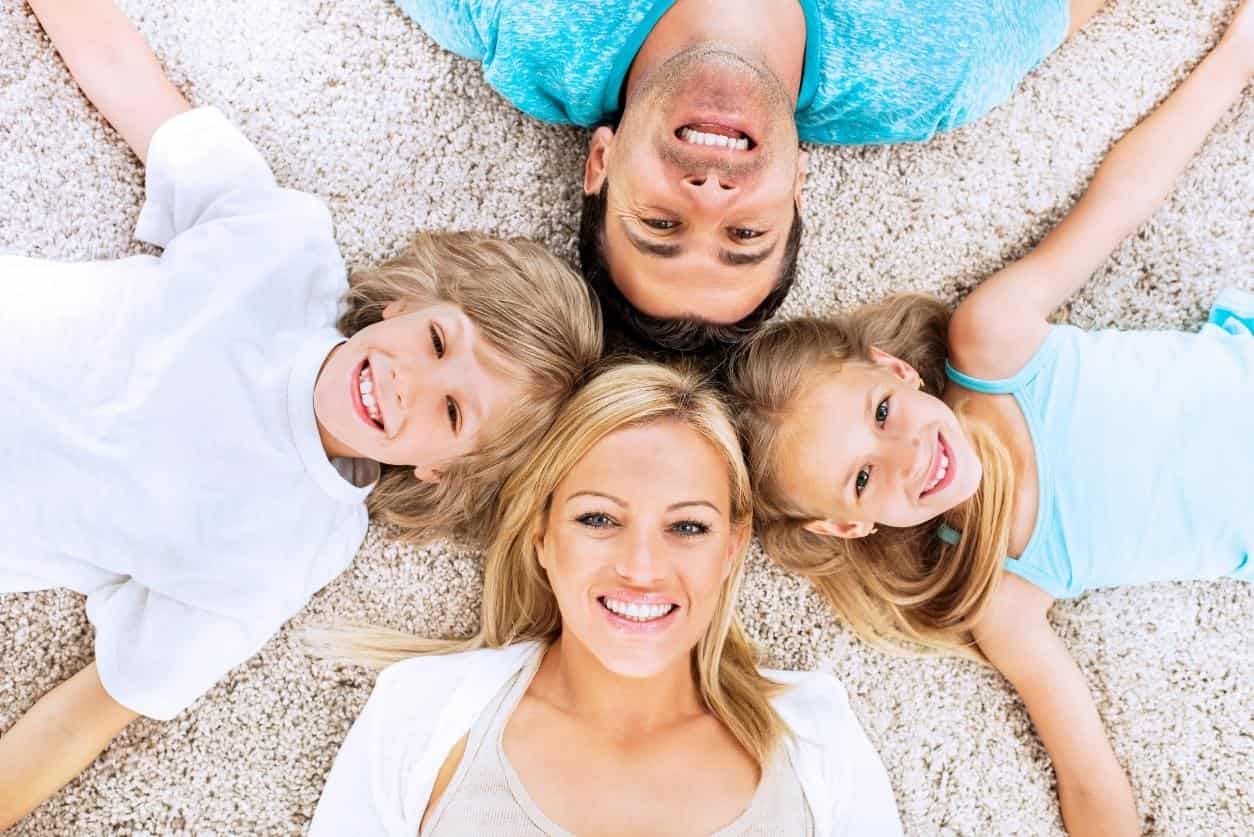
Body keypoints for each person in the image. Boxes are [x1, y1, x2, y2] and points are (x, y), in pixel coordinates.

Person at [0, 0, 602, 827]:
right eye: (435, 339)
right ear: (412, 298)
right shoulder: (282, 246)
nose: (405, 383)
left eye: (453, 411)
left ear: (444, 470)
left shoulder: (288, 547)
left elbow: (95, 707)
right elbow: (129, 81)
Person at [727, 3, 1253, 834]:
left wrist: (1232, 65)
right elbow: (1090, 778)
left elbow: (1123, 198)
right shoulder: (998, 592)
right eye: (863, 476)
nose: (907, 454)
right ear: (848, 523)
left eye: (883, 410)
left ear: (896, 369)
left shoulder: (994, 342)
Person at [309, 362, 902, 835]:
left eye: (688, 527)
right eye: (597, 519)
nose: (641, 568)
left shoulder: (817, 738)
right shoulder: (422, 714)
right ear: (541, 533)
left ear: (731, 547)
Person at [392, 0, 1111, 354]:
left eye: (660, 223)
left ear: (601, 164)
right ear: (799, 183)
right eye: (744, 233)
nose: (708, 195)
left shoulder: (526, 29)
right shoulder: (933, 71)